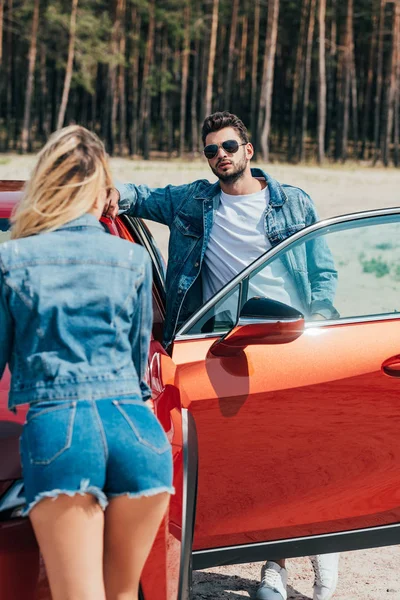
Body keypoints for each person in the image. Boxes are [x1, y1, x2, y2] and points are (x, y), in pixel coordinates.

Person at [105, 111, 339, 600]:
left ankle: (290, 564)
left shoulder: (292, 202)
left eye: (228, 146)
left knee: (291, 453)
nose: (220, 156)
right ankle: (259, 557)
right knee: (241, 458)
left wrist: (323, 328)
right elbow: (140, 196)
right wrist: (108, 191)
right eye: (211, 150)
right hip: (221, 346)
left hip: (288, 340)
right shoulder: (194, 201)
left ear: (248, 150)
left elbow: (321, 272)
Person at [0, 125, 174, 600]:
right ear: (100, 189)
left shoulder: (11, 259)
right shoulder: (132, 258)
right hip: (139, 436)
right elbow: (139, 362)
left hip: (60, 437)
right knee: (121, 595)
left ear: (45, 186)